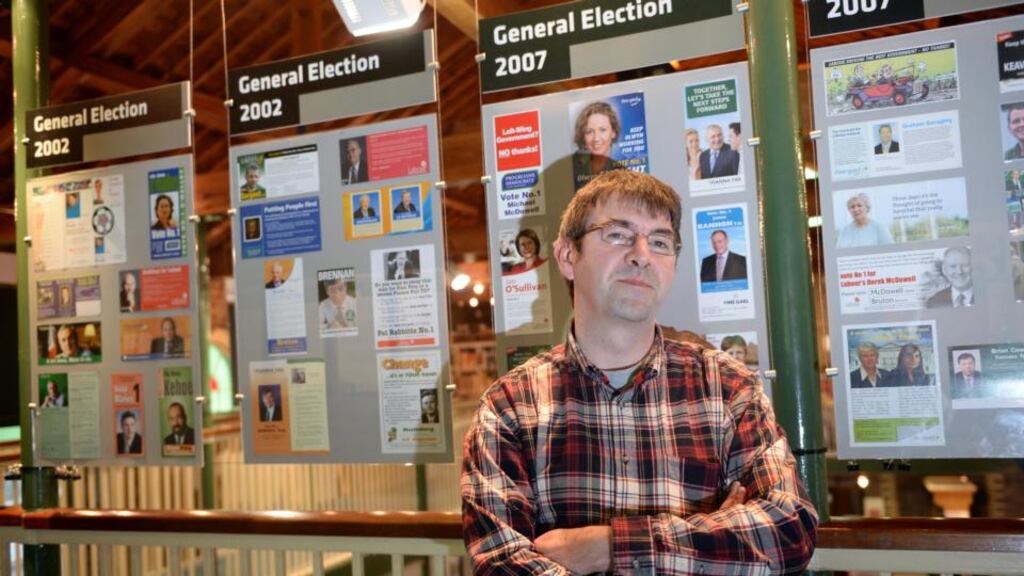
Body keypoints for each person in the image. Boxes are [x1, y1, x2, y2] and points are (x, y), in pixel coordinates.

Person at [461, 171, 817, 575]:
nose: (642, 254)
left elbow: (788, 531)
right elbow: (502, 564)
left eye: (660, 242)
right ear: (566, 257)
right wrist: (707, 539)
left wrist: (607, 547)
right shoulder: (509, 407)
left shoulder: (728, 388)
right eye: (618, 235)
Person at [572, 101, 623, 180]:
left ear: (613, 132)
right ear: (583, 136)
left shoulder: (623, 173)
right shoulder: (570, 167)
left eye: (602, 130)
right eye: (589, 131)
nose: (596, 138)